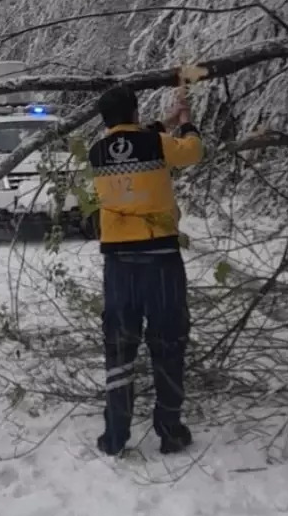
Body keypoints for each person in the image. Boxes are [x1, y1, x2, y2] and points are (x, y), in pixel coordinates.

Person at [87, 82, 203, 456]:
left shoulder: (97, 152)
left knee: (119, 344)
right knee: (168, 342)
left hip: (119, 263)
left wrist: (160, 124)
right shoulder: (155, 143)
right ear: (135, 114)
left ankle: (116, 433)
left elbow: (134, 144)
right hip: (160, 259)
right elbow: (191, 152)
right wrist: (185, 122)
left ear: (105, 121)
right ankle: (169, 429)